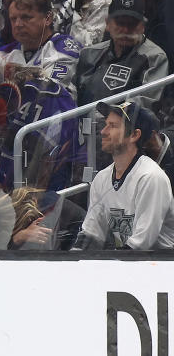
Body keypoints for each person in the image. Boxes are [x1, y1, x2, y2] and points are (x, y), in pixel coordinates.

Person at [74, 101, 174, 250]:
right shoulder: (102, 178)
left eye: (113, 126)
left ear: (134, 135)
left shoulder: (150, 177)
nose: (103, 131)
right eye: (106, 124)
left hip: (159, 267)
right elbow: (91, 233)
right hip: (125, 263)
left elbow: (142, 244)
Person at [75, 0, 169, 111]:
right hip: (83, 126)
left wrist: (111, 114)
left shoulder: (154, 57)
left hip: (128, 128)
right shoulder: (89, 54)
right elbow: (72, 94)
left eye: (132, 24)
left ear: (143, 26)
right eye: (120, 23)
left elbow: (144, 103)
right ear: (107, 23)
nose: (125, 29)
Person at [0, 0, 81, 97]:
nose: (18, 24)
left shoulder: (65, 48)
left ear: (48, 18)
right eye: (13, 19)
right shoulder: (2, 54)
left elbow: (47, 92)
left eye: (26, 17)